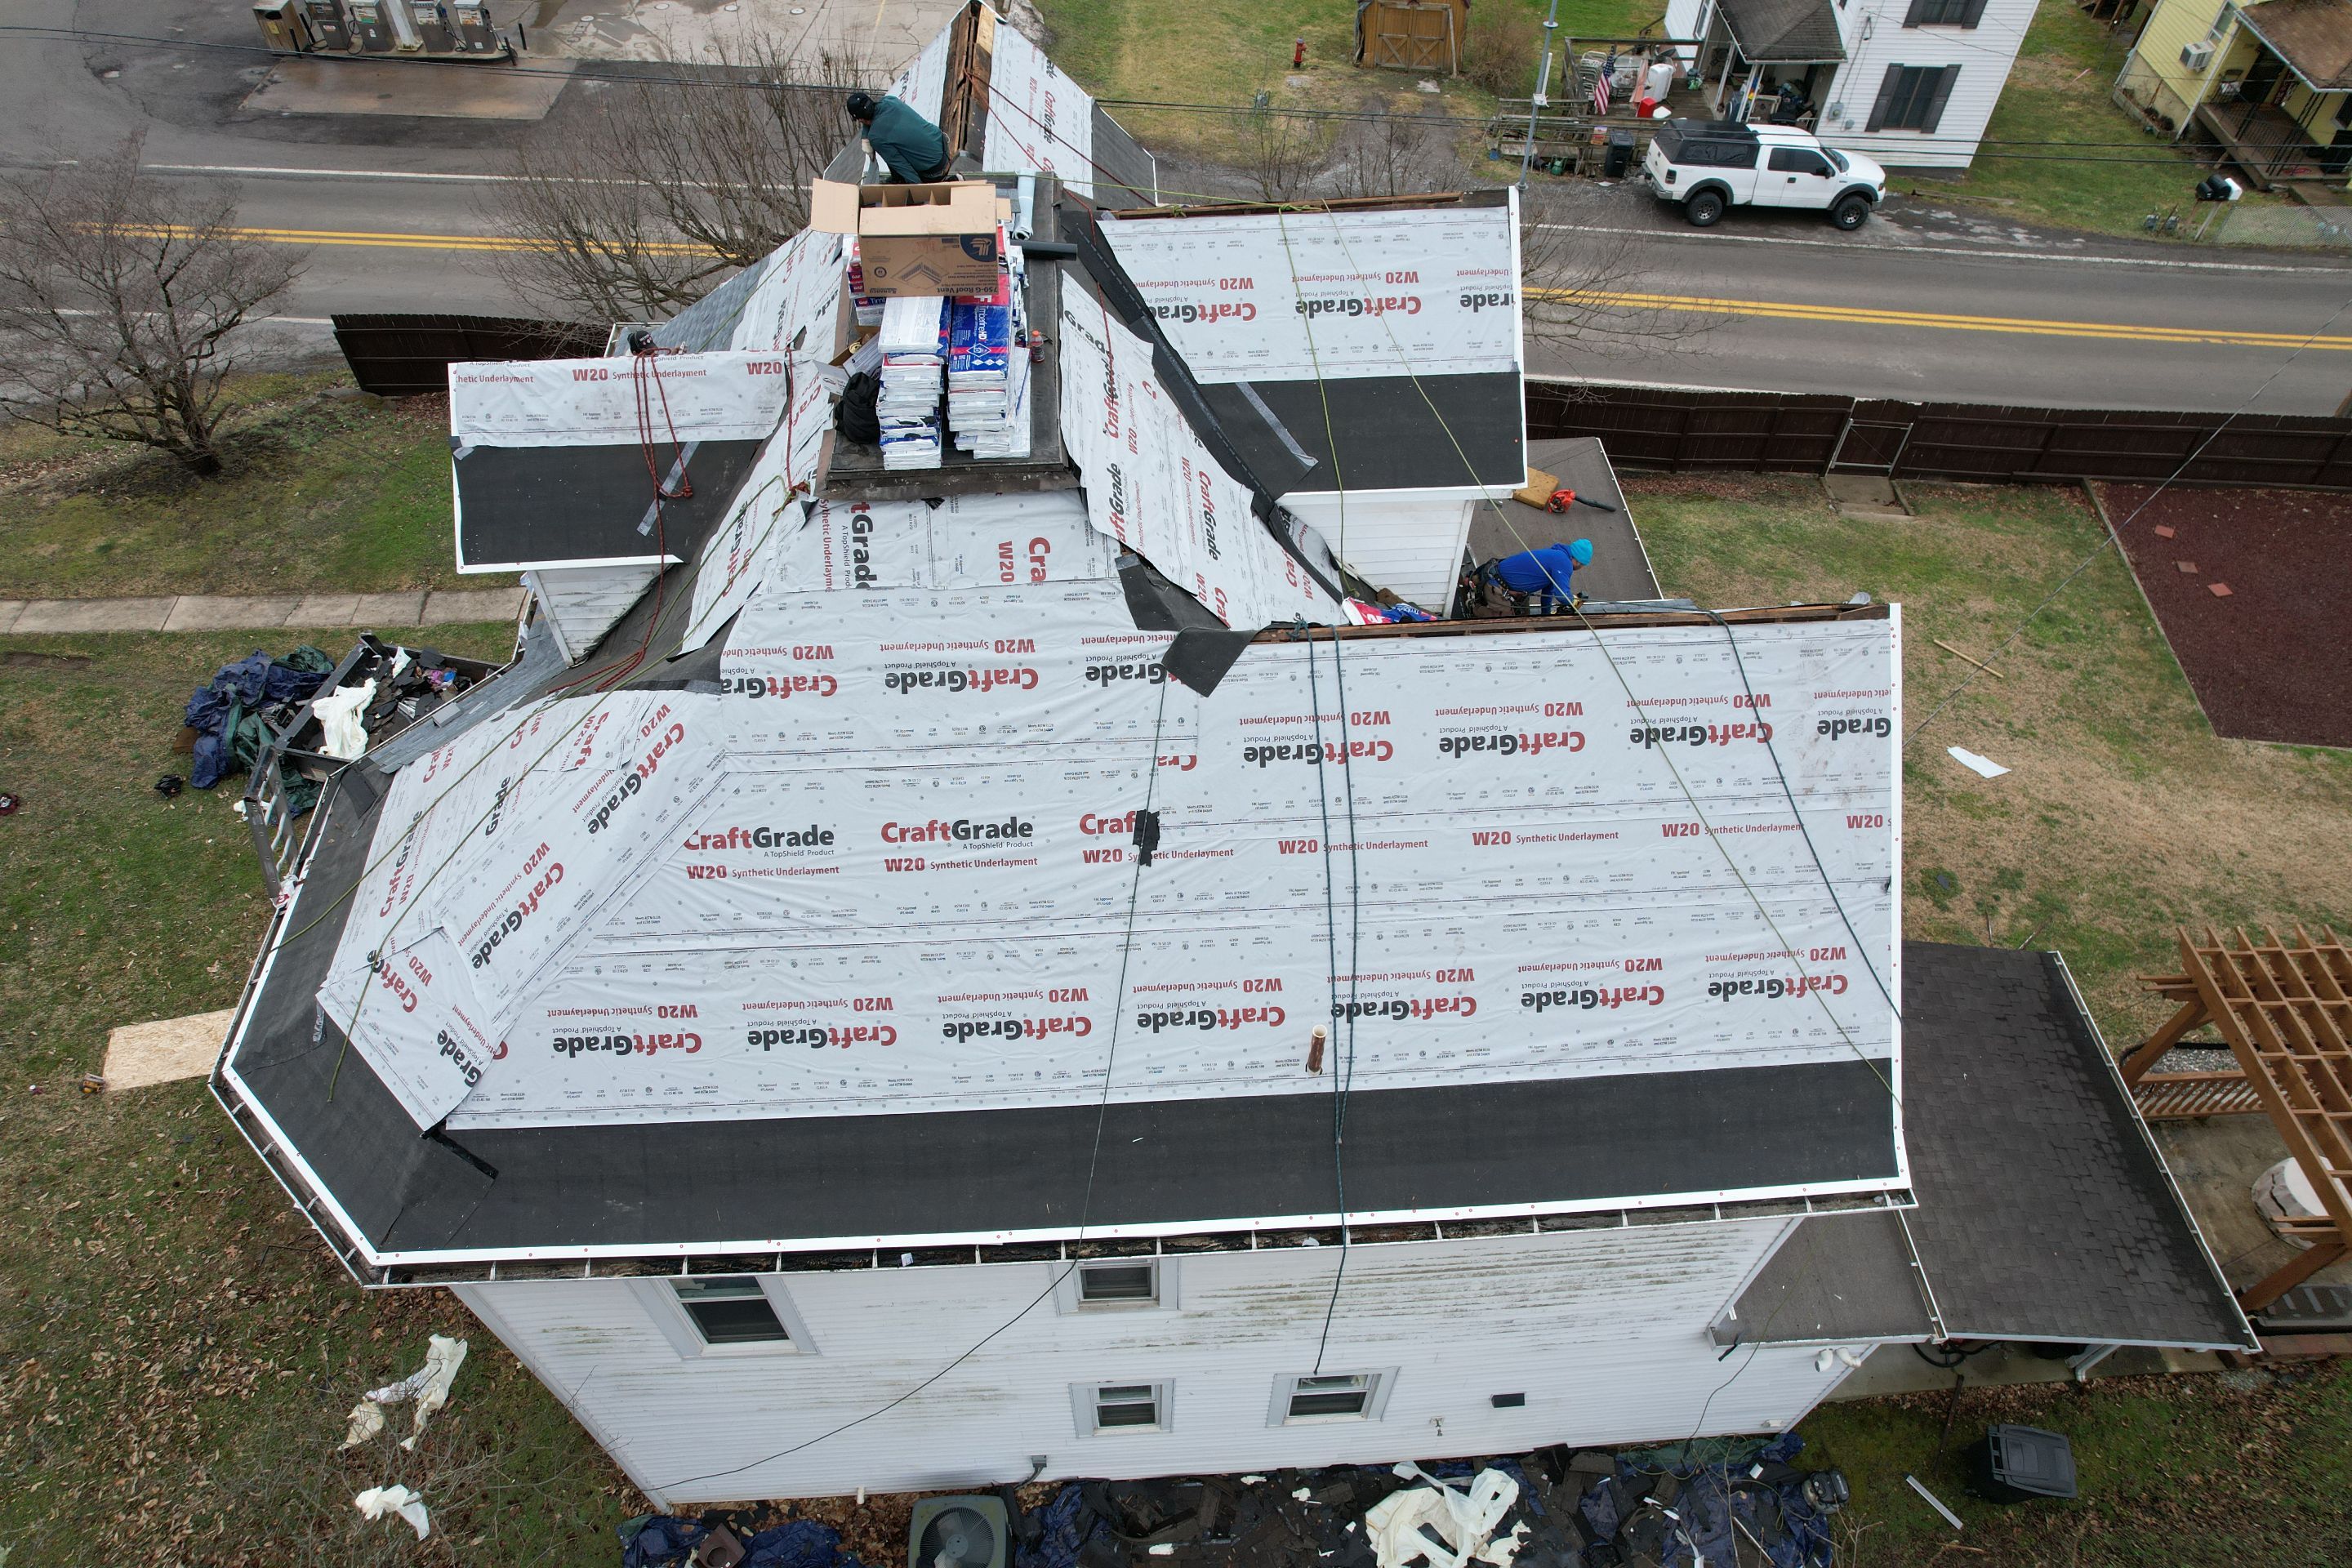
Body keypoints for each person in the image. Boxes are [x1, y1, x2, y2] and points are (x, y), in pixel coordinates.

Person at [845, 91, 952, 185]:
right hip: (943, 146)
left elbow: (901, 165)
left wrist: (919, 192)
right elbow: (868, 121)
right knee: (894, 145)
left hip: (936, 171)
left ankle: (952, 181)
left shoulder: (876, 137)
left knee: (891, 155)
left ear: (860, 119)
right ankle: (898, 180)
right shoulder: (890, 100)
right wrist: (865, 136)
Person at [1489, 538, 1593, 614]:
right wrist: (1573, 601)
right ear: (1579, 562)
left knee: (1525, 618)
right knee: (1511, 626)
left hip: (1509, 589)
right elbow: (1563, 596)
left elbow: (1548, 592)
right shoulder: (1563, 562)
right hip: (1496, 588)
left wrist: (1546, 616)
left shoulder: (1557, 556)